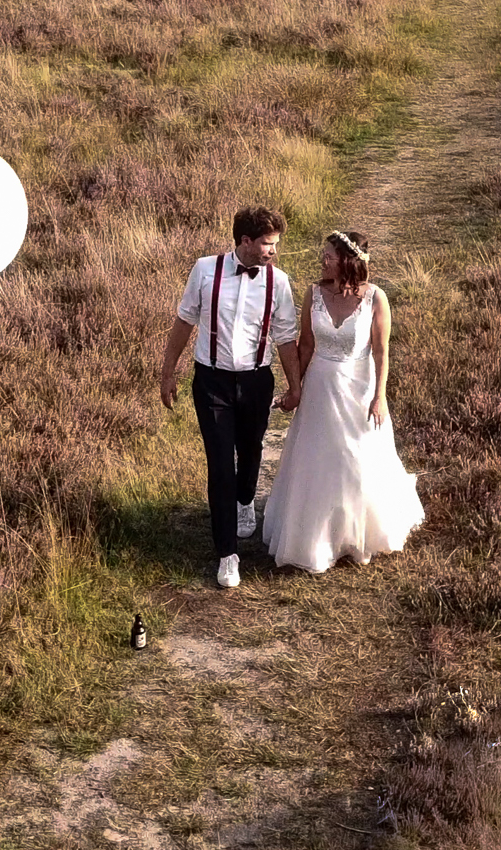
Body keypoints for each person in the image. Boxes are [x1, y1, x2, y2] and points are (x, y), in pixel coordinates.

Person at [263, 230, 425, 572]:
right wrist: (295, 388)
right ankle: (318, 536)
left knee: (355, 458)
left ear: (349, 261)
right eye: (324, 255)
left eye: (330, 256)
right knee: (318, 458)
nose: (323, 260)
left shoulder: (376, 298)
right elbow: (305, 345)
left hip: (359, 388)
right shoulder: (314, 294)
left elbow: (381, 352)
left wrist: (379, 397)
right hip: (321, 386)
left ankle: (356, 533)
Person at [158, 206, 302, 590]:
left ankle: (245, 502)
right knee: (220, 465)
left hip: (256, 381)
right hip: (211, 383)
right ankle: (228, 554)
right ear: (245, 241)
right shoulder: (205, 270)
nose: (273, 250)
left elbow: (286, 337)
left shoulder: (280, 282)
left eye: (275, 244)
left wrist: (295, 386)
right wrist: (168, 372)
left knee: (251, 449)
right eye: (268, 244)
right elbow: (184, 321)